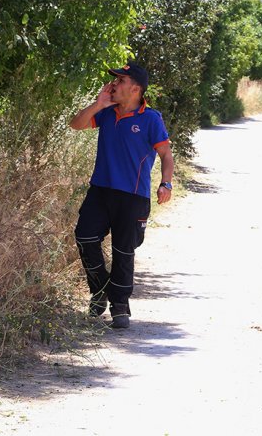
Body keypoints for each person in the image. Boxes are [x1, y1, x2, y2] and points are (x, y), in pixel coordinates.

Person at [70, 63, 174, 328]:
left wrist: (166, 184)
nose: (114, 84)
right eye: (114, 79)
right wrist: (98, 104)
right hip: (101, 191)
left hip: (133, 196)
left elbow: (165, 155)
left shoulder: (151, 119)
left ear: (136, 88)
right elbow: (76, 124)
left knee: (123, 251)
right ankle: (100, 290)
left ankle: (120, 306)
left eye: (121, 80)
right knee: (84, 236)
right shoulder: (105, 113)